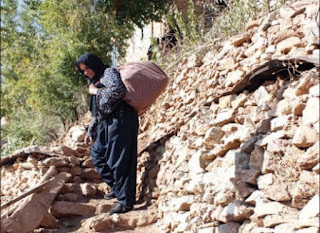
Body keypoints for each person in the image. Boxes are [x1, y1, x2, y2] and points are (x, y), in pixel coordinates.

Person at [75, 53, 139, 214]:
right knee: (97, 154)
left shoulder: (108, 73)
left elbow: (117, 90)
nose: (85, 73)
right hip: (106, 123)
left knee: (120, 160)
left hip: (121, 119)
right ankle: (118, 188)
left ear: (94, 65)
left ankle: (125, 202)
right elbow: (98, 113)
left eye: (87, 68)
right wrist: (91, 131)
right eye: (82, 71)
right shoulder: (95, 82)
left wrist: (95, 92)